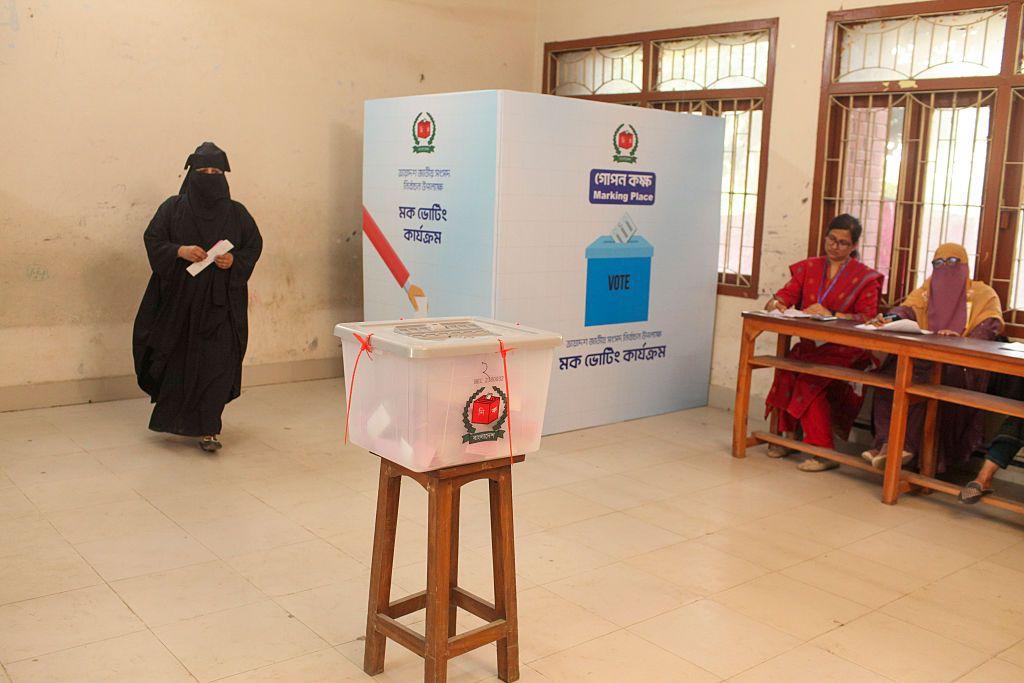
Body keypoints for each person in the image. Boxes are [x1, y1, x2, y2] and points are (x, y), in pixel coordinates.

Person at [132, 142, 263, 452]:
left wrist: (234, 261)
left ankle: (209, 429)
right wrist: (180, 250)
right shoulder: (172, 208)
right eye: (203, 170)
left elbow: (253, 245)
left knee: (217, 364)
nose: (209, 176)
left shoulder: (237, 213)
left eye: (216, 171)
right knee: (178, 362)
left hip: (221, 305)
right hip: (179, 304)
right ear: (191, 173)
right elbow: (153, 238)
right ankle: (175, 420)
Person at [865, 242, 1003, 473]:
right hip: (923, 356)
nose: (945, 267)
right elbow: (904, 311)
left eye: (952, 262)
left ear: (965, 265)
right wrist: (886, 319)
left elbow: (988, 329)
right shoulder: (926, 291)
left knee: (929, 382)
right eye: (938, 263)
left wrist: (959, 339)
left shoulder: (983, 294)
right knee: (890, 372)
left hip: (961, 364)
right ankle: (884, 443)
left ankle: (903, 447)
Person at [763, 214, 884, 472]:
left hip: (847, 350)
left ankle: (824, 451)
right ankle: (789, 438)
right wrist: (778, 303)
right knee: (787, 369)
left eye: (843, 243)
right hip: (811, 346)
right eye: (831, 239)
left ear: (853, 246)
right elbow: (786, 294)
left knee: (810, 378)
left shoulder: (865, 277)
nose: (835, 246)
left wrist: (833, 314)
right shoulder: (809, 267)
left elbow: (868, 318)